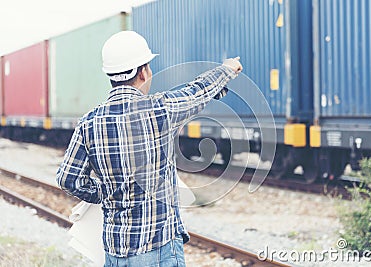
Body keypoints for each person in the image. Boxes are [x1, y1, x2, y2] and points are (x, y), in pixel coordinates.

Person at [56, 30, 242, 267]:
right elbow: (196, 92)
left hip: (114, 252)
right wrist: (227, 70)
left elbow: (67, 179)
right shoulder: (158, 110)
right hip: (157, 250)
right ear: (143, 72)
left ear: (111, 75)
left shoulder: (90, 122)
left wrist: (104, 192)